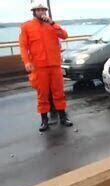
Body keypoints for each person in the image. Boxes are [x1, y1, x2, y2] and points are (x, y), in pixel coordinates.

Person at [19, 1, 73, 132]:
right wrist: (27, 61)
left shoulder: (52, 25)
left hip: (54, 65)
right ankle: (44, 121)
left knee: (58, 92)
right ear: (34, 12)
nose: (42, 12)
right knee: (42, 94)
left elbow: (65, 36)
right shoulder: (26, 26)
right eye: (39, 10)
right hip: (39, 66)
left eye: (43, 10)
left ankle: (63, 117)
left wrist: (53, 23)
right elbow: (23, 46)